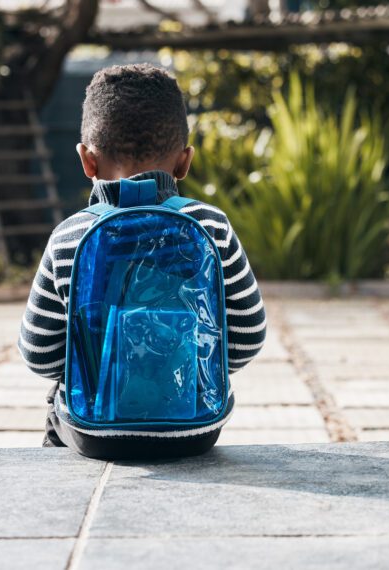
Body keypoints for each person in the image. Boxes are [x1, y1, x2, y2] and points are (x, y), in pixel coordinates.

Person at [18, 63, 265, 458]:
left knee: (56, 403)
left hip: (97, 435)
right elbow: (248, 337)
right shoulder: (213, 226)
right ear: (184, 161)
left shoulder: (69, 235)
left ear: (86, 161)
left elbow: (39, 353)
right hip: (195, 429)